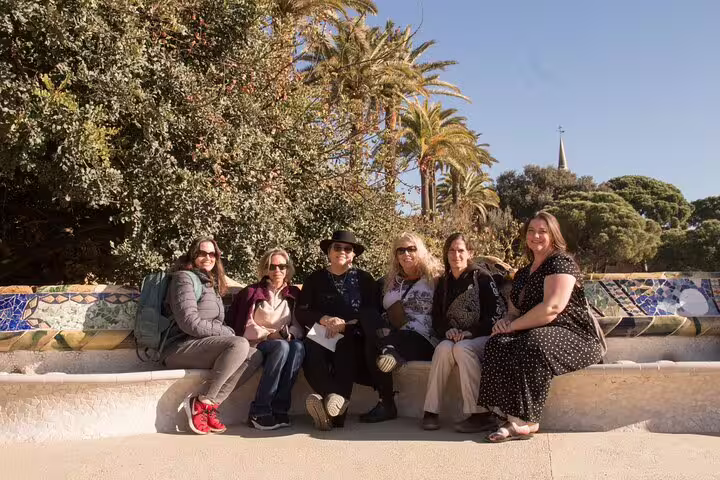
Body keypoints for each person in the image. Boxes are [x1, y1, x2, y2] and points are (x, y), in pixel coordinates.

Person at [478, 211, 603, 443]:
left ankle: (527, 420)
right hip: (533, 330)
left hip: (575, 336)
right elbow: (514, 309)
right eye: (531, 231)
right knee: (497, 342)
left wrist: (513, 325)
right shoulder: (524, 272)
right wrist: (506, 322)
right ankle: (505, 416)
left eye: (542, 232)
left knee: (534, 341)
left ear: (553, 235)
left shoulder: (561, 263)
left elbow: (552, 308)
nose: (536, 236)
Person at [163, 237, 262, 435]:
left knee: (255, 355)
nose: (207, 257)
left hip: (203, 346)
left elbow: (215, 323)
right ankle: (199, 403)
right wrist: (228, 333)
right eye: (202, 253)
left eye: (212, 254)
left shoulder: (210, 283)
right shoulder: (183, 279)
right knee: (239, 344)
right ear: (193, 255)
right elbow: (189, 323)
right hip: (179, 347)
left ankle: (208, 404)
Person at [296, 230, 393, 430]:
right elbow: (302, 311)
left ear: (353, 254)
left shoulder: (365, 280)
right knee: (309, 347)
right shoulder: (315, 279)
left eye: (347, 249)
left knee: (345, 349)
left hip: (353, 334)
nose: (342, 251)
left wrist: (346, 324)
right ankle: (335, 399)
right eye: (337, 247)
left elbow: (373, 311)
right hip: (323, 331)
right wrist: (325, 319)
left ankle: (334, 413)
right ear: (329, 252)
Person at [421, 233, 507, 433]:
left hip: (483, 337)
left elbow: (497, 314)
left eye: (461, 250)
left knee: (462, 349)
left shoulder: (482, 278)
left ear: (470, 253)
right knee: (442, 349)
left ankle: (481, 414)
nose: (456, 255)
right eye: (451, 250)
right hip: (453, 338)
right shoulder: (443, 282)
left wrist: (470, 333)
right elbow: (436, 318)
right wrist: (447, 330)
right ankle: (431, 411)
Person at [227, 248, 304, 431]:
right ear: (265, 269)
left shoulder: (294, 294)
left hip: (285, 339)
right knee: (281, 347)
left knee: (297, 348)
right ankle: (259, 410)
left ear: (288, 269)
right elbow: (246, 325)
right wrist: (270, 335)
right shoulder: (252, 292)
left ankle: (279, 409)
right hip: (259, 342)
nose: (277, 271)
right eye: (272, 266)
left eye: (281, 266)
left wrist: (289, 334)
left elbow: (299, 323)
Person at [375, 232, 441, 374]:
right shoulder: (388, 281)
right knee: (371, 336)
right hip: (394, 333)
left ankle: (389, 351)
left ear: (421, 251)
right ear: (396, 255)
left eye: (411, 249)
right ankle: (390, 354)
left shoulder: (435, 277)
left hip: (423, 338)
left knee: (397, 341)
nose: (406, 254)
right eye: (401, 250)